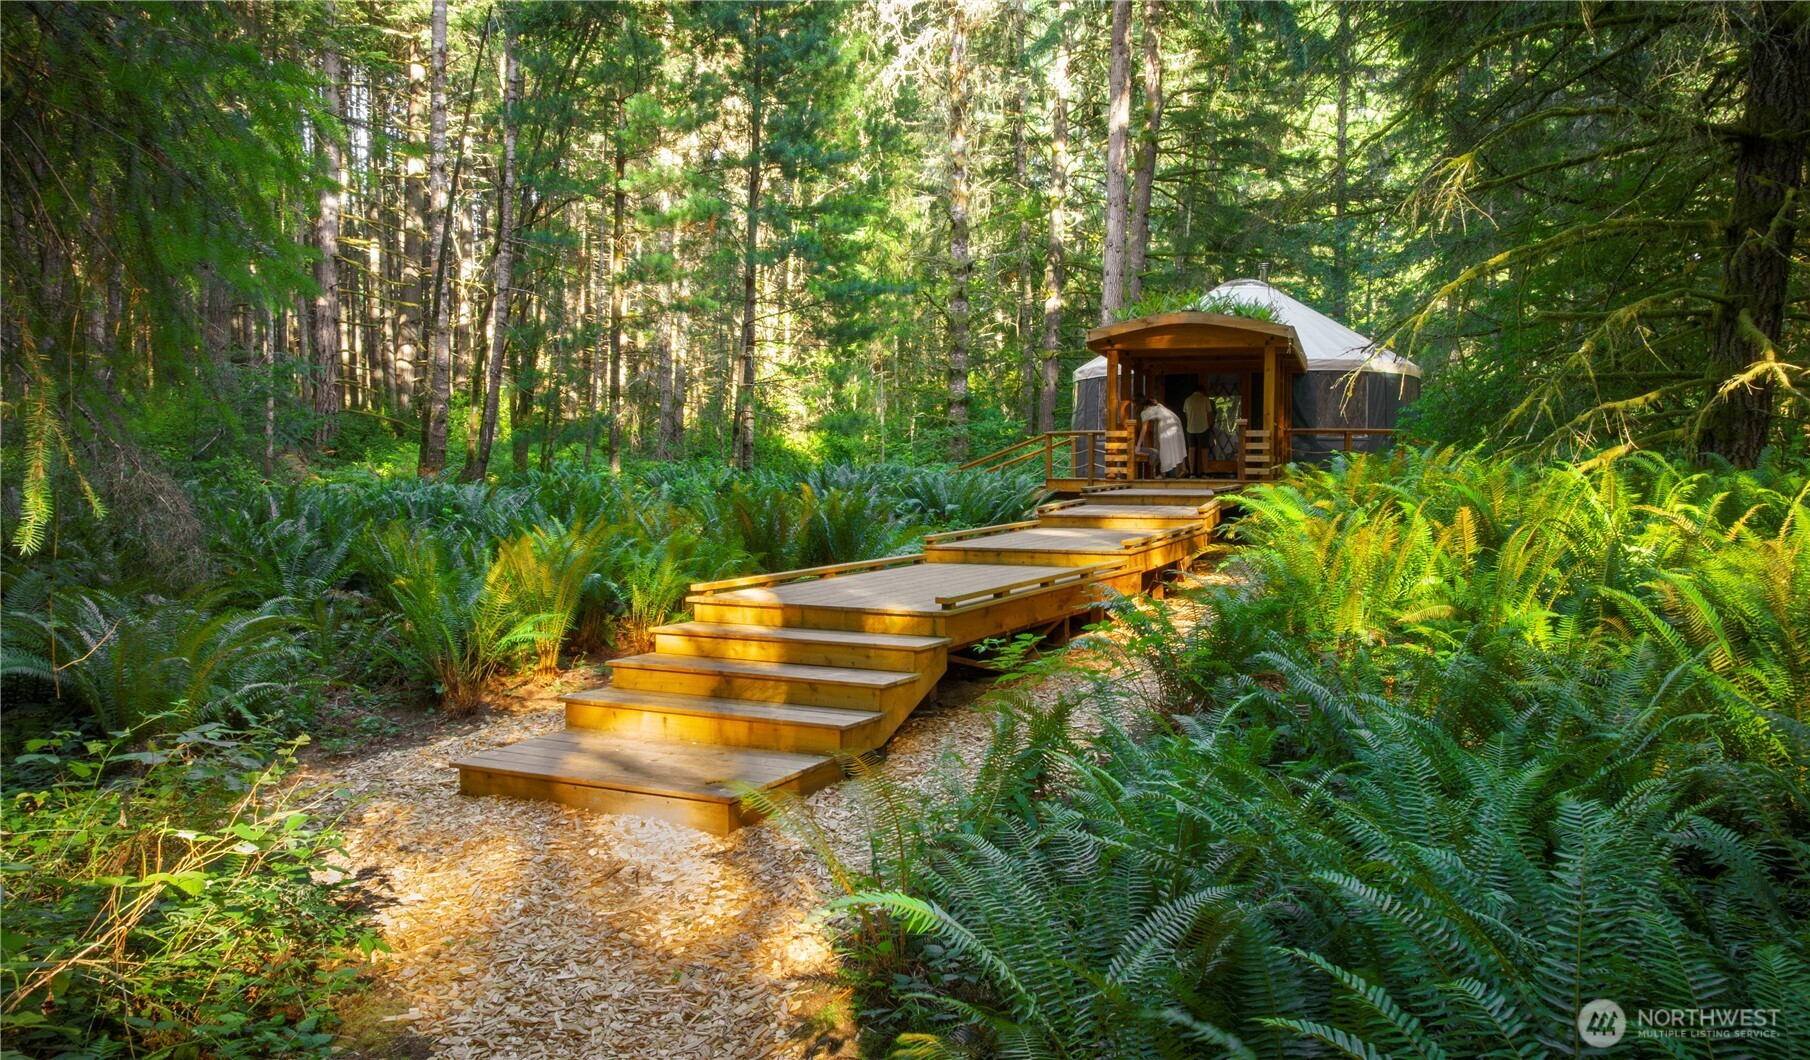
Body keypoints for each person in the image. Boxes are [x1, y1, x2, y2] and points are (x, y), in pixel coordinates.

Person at [1133, 394, 1187, 479]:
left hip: (1166, 423)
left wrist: (1138, 447)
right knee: (1178, 444)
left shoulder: (1145, 412)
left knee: (1164, 447)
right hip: (1175, 419)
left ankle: (1163, 474)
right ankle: (1183, 468)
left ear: (1138, 405)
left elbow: (1144, 430)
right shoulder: (1153, 404)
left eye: (1134, 405)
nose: (1134, 407)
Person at [1182, 381, 1215, 477]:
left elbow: (1186, 414)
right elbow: (1209, 414)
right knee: (1204, 450)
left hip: (1190, 428)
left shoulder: (1187, 400)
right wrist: (1209, 425)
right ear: (1202, 391)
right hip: (1203, 427)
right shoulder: (1205, 399)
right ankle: (1205, 472)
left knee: (1191, 450)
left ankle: (1192, 472)